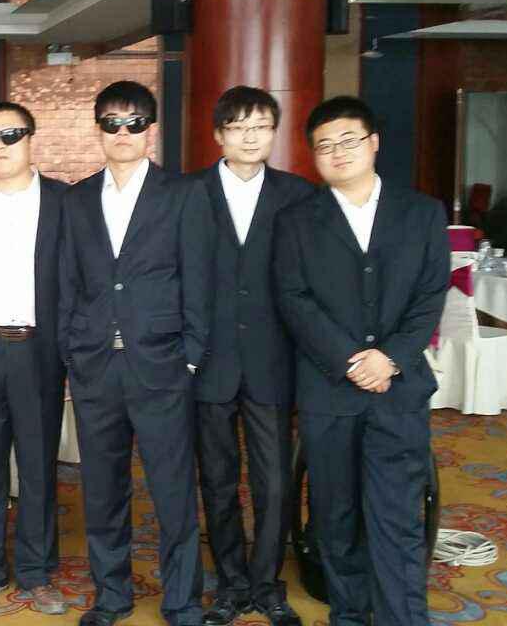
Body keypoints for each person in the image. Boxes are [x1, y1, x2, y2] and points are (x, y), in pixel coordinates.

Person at [273, 96, 448, 626]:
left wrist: (390, 357)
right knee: (336, 518)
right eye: (324, 145)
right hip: (330, 394)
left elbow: (430, 294)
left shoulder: (422, 213)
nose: (337, 152)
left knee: (398, 519)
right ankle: (348, 616)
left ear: (373, 143)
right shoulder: (297, 221)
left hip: (398, 393)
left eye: (348, 140)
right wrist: (352, 361)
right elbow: (293, 298)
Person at [58, 81, 213, 626]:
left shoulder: (183, 194)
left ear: (150, 129)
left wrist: (190, 357)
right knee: (102, 491)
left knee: (173, 491)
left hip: (163, 365)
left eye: (134, 123)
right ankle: (112, 596)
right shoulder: (76, 199)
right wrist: (72, 353)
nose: (122, 133)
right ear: (98, 129)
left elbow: (199, 279)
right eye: (111, 123)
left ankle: (182, 600)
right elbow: (67, 283)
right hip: (96, 367)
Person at [188, 86, 314, 626]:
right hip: (208, 361)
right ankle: (231, 583)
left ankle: (267, 584)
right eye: (238, 127)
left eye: (260, 126)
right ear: (219, 135)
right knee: (217, 480)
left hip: (271, 361)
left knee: (274, 482)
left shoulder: (299, 195)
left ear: (274, 133)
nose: (249, 137)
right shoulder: (189, 193)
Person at [0, 102, 68, 615]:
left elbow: (78, 283)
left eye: (10, 135)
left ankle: (36, 571)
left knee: (39, 465)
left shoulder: (65, 202)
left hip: (40, 351)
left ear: (30, 139)